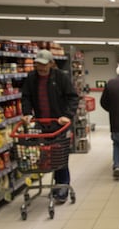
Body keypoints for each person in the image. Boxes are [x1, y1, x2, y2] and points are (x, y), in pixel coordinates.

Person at [21, 49, 79, 203]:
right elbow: (26, 97)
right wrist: (27, 113)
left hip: (58, 124)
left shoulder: (60, 77)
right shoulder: (31, 78)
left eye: (44, 65)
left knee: (59, 157)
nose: (41, 68)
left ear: (51, 64)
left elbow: (73, 97)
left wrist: (67, 115)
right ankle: (50, 185)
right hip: (41, 125)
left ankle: (62, 187)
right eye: (38, 64)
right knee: (45, 157)